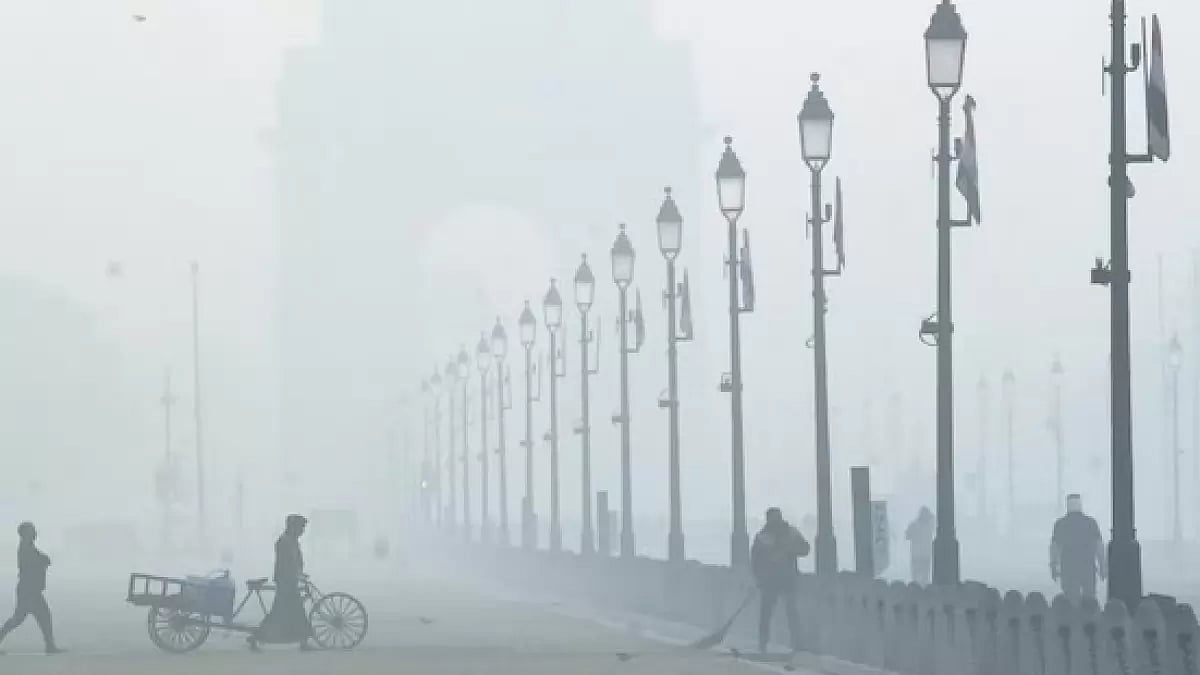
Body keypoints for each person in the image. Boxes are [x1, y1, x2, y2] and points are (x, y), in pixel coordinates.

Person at [750, 507, 809, 654]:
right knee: (768, 614)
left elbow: (805, 549)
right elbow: (755, 562)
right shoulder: (763, 537)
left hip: (787, 579)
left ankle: (797, 645)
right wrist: (759, 577)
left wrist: (789, 550)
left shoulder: (791, 533)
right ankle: (763, 644)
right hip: (771, 581)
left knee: (790, 613)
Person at [250, 514, 312, 650]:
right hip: (286, 582)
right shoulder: (284, 542)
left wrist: (299, 573)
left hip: (289, 581)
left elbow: (295, 561)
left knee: (285, 613)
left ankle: (303, 641)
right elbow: (286, 564)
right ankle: (303, 641)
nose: (302, 531)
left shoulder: (291, 540)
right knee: (286, 613)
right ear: (293, 527)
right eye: (301, 528)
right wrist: (296, 574)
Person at [0, 522, 62, 654]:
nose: (35, 533)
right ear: (25, 534)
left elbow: (44, 560)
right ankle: (50, 646)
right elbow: (41, 560)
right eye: (31, 531)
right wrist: (43, 561)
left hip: (31, 590)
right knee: (20, 618)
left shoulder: (29, 547)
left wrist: (44, 560)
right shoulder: (25, 548)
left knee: (39, 616)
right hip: (28, 590)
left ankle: (50, 646)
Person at [1050, 494, 1105, 603]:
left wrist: (1053, 565)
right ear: (1080, 504)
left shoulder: (1060, 524)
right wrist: (1103, 565)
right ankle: (1088, 618)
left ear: (1067, 505)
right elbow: (1099, 546)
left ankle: (1073, 618)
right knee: (1089, 600)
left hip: (1068, 568)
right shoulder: (1090, 522)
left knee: (1070, 599)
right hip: (1088, 567)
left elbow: (1055, 547)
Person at [905, 507, 934, 585]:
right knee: (924, 577)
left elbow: (907, 536)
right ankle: (923, 592)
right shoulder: (929, 525)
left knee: (916, 576)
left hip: (916, 554)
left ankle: (916, 592)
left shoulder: (913, 525)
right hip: (925, 555)